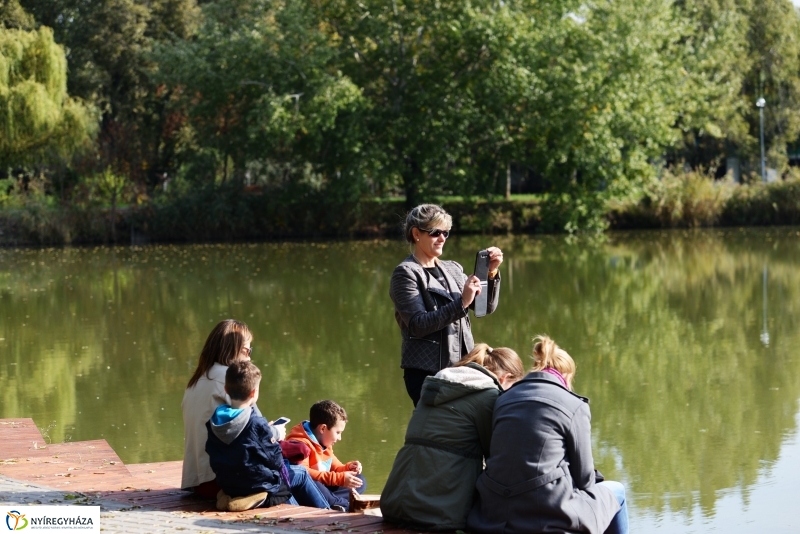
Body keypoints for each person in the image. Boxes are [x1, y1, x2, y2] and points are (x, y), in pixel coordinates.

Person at [466, 335, 629, 534]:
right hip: (545, 513)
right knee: (617, 492)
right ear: (567, 376)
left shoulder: (504, 400)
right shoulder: (574, 405)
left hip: (495, 511)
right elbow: (585, 479)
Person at [380, 343, 525, 531]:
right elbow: (496, 456)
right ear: (505, 378)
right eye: (511, 389)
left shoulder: (436, 385)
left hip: (395, 500)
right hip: (437, 511)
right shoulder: (488, 396)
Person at [389, 203, 504, 405]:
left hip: (463, 369)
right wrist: (462, 302)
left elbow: (482, 308)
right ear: (416, 233)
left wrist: (490, 274)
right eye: (435, 232)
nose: (442, 238)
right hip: (428, 375)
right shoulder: (405, 273)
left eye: (446, 233)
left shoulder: (453, 268)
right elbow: (418, 325)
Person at [205, 360, 330, 511]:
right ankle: (326, 514)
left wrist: (268, 432)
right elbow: (275, 460)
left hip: (229, 484)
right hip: (256, 485)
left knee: (285, 479)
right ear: (253, 393)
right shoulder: (256, 423)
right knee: (298, 474)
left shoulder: (215, 421)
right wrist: (276, 436)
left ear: (226, 389)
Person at [285, 400, 366, 511]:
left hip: (324, 487)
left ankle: (335, 502)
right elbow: (303, 474)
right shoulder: (299, 443)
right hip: (307, 489)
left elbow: (337, 468)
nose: (340, 438)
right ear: (323, 428)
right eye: (338, 432)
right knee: (314, 482)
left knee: (359, 480)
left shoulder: (324, 441)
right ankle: (338, 503)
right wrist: (340, 478)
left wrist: (349, 468)